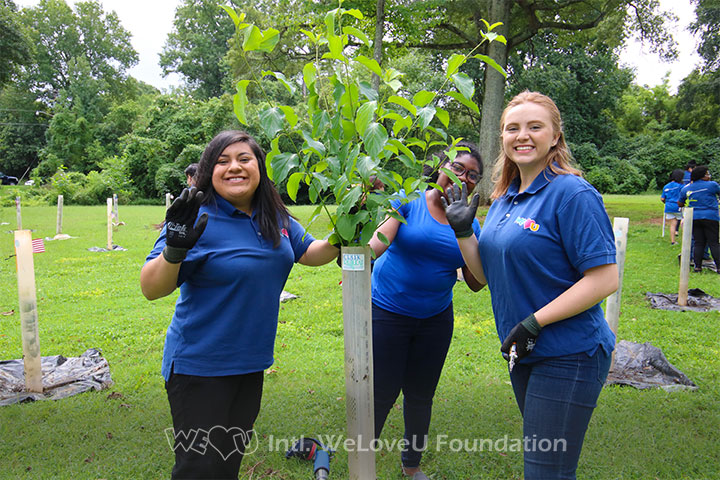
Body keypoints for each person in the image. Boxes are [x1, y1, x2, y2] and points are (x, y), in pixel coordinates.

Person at [140, 130, 339, 479]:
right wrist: (174, 249)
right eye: (222, 161)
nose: (234, 167)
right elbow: (151, 288)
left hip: (249, 365)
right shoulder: (195, 217)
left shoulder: (274, 216)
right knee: (198, 469)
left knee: (227, 463)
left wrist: (347, 229)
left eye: (244, 159)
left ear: (259, 167)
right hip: (199, 367)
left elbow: (309, 252)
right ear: (208, 171)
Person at [443, 91, 618, 479]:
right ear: (502, 138)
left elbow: (605, 278)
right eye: (512, 128)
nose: (523, 135)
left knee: (545, 472)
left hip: (569, 353)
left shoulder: (572, 194)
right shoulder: (506, 197)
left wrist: (535, 322)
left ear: (555, 136)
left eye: (535, 127)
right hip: (523, 350)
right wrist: (463, 232)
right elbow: (487, 275)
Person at [368, 142, 484, 480]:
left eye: (473, 175)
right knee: (382, 393)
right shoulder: (410, 200)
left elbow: (476, 283)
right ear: (442, 167)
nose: (464, 177)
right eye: (458, 168)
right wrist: (357, 262)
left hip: (435, 319)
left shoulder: (469, 222)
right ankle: (364, 462)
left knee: (420, 395)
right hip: (388, 312)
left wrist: (463, 229)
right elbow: (379, 241)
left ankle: (412, 466)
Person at [678, 165, 720, 273]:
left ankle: (697, 267)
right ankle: (719, 267)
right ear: (702, 176)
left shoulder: (687, 188)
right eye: (707, 174)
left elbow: (680, 202)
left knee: (698, 242)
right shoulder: (712, 185)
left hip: (694, 217)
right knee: (713, 242)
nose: (709, 176)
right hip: (711, 217)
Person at [660, 169, 684, 244]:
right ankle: (685, 240)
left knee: (673, 224)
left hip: (669, 206)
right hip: (678, 206)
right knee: (683, 222)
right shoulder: (681, 186)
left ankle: (673, 241)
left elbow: (662, 198)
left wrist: (666, 203)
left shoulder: (666, 186)